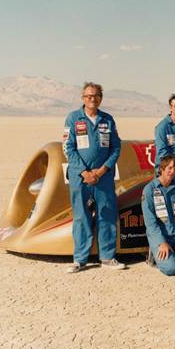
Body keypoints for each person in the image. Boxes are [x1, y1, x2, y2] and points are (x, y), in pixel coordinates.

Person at [63, 82, 126, 272]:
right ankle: (80, 259)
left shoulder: (107, 120)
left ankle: (107, 257)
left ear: (101, 98)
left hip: (103, 177)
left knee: (106, 214)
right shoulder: (73, 118)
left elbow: (116, 147)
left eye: (96, 95)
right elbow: (68, 148)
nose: (92, 99)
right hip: (79, 177)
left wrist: (101, 171)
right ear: (83, 98)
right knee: (81, 216)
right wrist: (84, 172)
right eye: (89, 96)